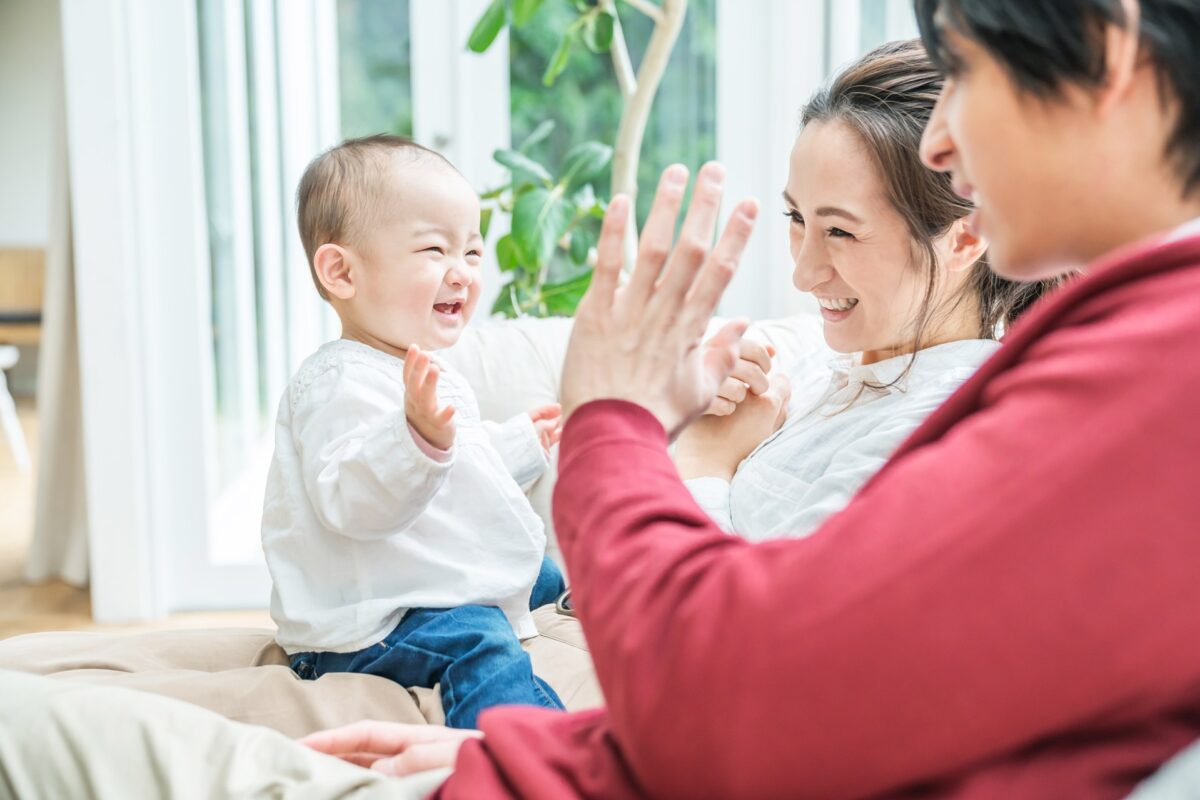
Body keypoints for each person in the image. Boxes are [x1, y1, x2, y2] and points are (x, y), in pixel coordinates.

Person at [1, 1, 1199, 797]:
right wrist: (548, 745)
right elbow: (835, 688)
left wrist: (619, 418)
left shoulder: (1148, 376)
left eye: (970, 75)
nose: (946, 141)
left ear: (1112, 47)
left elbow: (726, 689)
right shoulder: (1119, 340)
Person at [676, 39, 1051, 540]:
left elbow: (751, 614)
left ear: (966, 240)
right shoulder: (823, 362)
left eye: (841, 232)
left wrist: (703, 461)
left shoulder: (934, 434)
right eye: (796, 217)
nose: (803, 275)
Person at [261, 134, 567, 729]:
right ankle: (529, 752)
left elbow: (458, 474)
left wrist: (521, 444)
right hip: (365, 623)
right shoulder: (335, 382)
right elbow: (354, 500)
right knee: (478, 635)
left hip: (413, 580)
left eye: (473, 253)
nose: (462, 274)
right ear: (342, 271)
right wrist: (416, 437)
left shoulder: (420, 369)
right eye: (435, 249)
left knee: (544, 571)